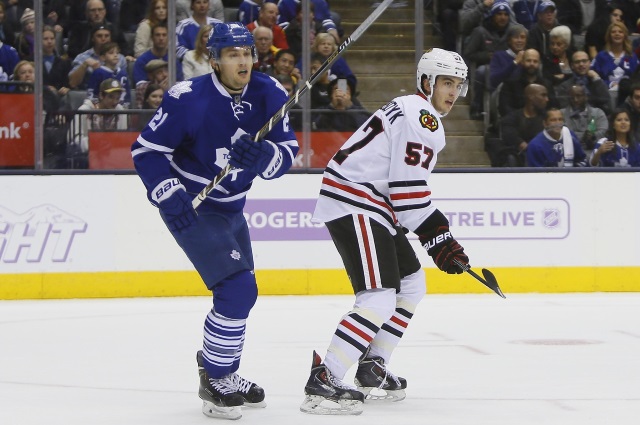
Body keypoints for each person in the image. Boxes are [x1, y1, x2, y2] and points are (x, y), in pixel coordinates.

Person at [130, 22, 299, 420]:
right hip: (194, 206)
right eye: (233, 55)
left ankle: (221, 369)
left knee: (243, 294)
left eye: (247, 54)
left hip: (233, 207)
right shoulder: (187, 99)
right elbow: (146, 151)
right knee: (238, 290)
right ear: (214, 60)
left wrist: (264, 159)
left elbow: (288, 150)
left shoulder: (270, 92)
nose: (243, 61)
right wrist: (168, 192)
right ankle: (215, 376)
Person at [300, 48, 470, 415]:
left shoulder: (410, 107)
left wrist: (438, 237)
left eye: (458, 84)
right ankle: (325, 378)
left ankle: (372, 364)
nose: (453, 92)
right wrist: (440, 237)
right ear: (426, 82)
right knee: (377, 297)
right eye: (446, 82)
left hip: (371, 203)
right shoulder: (422, 117)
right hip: (357, 201)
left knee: (411, 283)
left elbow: (403, 194)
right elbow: (408, 196)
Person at [463, 1, 514, 119]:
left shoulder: (512, 32)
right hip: (488, 67)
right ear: (493, 16)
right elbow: (468, 53)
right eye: (499, 14)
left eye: (506, 14)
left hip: (506, 66)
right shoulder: (480, 31)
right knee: (481, 72)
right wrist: (486, 55)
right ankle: (476, 107)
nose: (503, 17)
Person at [71, 77, 127, 160]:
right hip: (86, 158)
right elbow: (74, 140)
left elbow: (123, 138)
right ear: (101, 95)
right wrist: (95, 143)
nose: (115, 102)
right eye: (111, 97)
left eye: (117, 98)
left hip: (113, 157)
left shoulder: (120, 111)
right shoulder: (85, 110)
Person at [496, 83, 549, 166]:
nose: (547, 99)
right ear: (531, 96)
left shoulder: (547, 118)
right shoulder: (511, 118)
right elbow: (511, 137)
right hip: (520, 157)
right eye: (543, 95)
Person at [590, 21, 639, 107]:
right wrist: (610, 84)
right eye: (613, 32)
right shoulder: (601, 56)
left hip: (628, 97)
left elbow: (636, 78)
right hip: (605, 96)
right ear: (609, 35)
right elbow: (592, 73)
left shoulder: (632, 56)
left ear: (625, 35)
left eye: (620, 32)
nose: (617, 34)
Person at [68, 24, 128, 90]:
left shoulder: (120, 58)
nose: (103, 39)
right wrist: (84, 65)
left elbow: (124, 83)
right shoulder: (83, 57)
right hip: (88, 95)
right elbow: (72, 83)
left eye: (107, 36)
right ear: (93, 39)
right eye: (99, 36)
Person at [555, 50, 612, 115]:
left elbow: (606, 101)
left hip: (596, 118)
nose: (581, 64)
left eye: (584, 61)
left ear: (589, 63)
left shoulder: (596, 82)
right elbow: (565, 110)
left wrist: (597, 79)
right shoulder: (564, 86)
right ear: (572, 65)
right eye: (577, 62)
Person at [561, 84, 608, 151]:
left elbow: (603, 132)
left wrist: (593, 136)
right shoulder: (561, 114)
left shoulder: (598, 113)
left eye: (578, 96)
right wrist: (584, 136)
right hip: (569, 151)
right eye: (572, 97)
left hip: (594, 152)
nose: (575, 100)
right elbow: (562, 135)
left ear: (585, 97)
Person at [489, 23, 528, 90]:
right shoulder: (499, 56)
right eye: (516, 37)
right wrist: (515, 63)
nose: (519, 40)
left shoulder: (529, 56)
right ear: (509, 41)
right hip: (503, 93)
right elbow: (493, 80)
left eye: (522, 37)